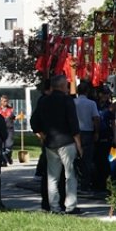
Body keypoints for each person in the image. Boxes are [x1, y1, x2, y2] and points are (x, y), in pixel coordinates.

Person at [31, 75, 83, 214]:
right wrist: (79, 145)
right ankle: (71, 206)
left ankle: (54, 207)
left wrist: (42, 135)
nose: (68, 87)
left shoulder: (43, 101)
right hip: (66, 141)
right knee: (70, 175)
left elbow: (34, 122)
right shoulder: (67, 100)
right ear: (61, 86)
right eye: (66, 84)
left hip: (50, 143)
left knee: (52, 177)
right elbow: (73, 124)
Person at [73, 82, 101, 194]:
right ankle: (85, 184)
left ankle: (74, 182)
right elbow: (96, 118)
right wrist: (97, 132)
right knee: (87, 159)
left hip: (74, 133)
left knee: (73, 159)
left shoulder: (73, 102)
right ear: (87, 91)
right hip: (87, 133)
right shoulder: (91, 103)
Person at [0, 95, 16, 166]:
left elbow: (14, 117)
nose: (5, 102)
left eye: (6, 101)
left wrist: (19, 117)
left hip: (9, 129)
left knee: (8, 145)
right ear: (1, 102)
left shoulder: (11, 109)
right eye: (4, 101)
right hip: (0, 130)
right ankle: (4, 161)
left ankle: (8, 157)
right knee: (1, 147)